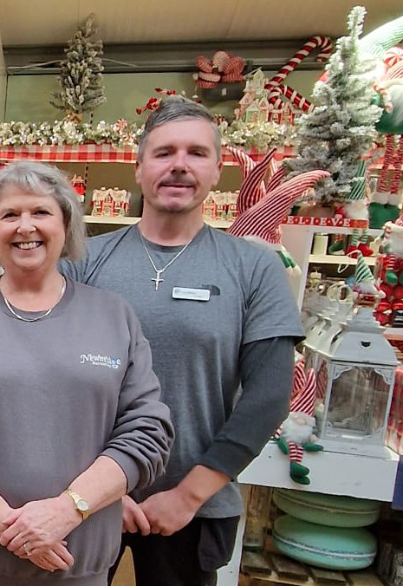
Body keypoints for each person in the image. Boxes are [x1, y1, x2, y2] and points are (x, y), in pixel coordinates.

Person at [61, 97, 304, 586]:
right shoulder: (84, 262)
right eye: (164, 152)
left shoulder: (254, 269)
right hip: (84, 499)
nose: (179, 166)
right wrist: (99, 490)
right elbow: (51, 375)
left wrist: (190, 495)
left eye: (196, 153)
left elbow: (268, 395)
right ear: (139, 169)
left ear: (217, 170)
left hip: (193, 508)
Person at [0, 161, 174, 586]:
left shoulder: (112, 316)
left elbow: (147, 431)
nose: (25, 226)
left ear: (66, 223)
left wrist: (66, 511)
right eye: (10, 215)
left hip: (76, 571)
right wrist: (13, 528)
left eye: (40, 212)